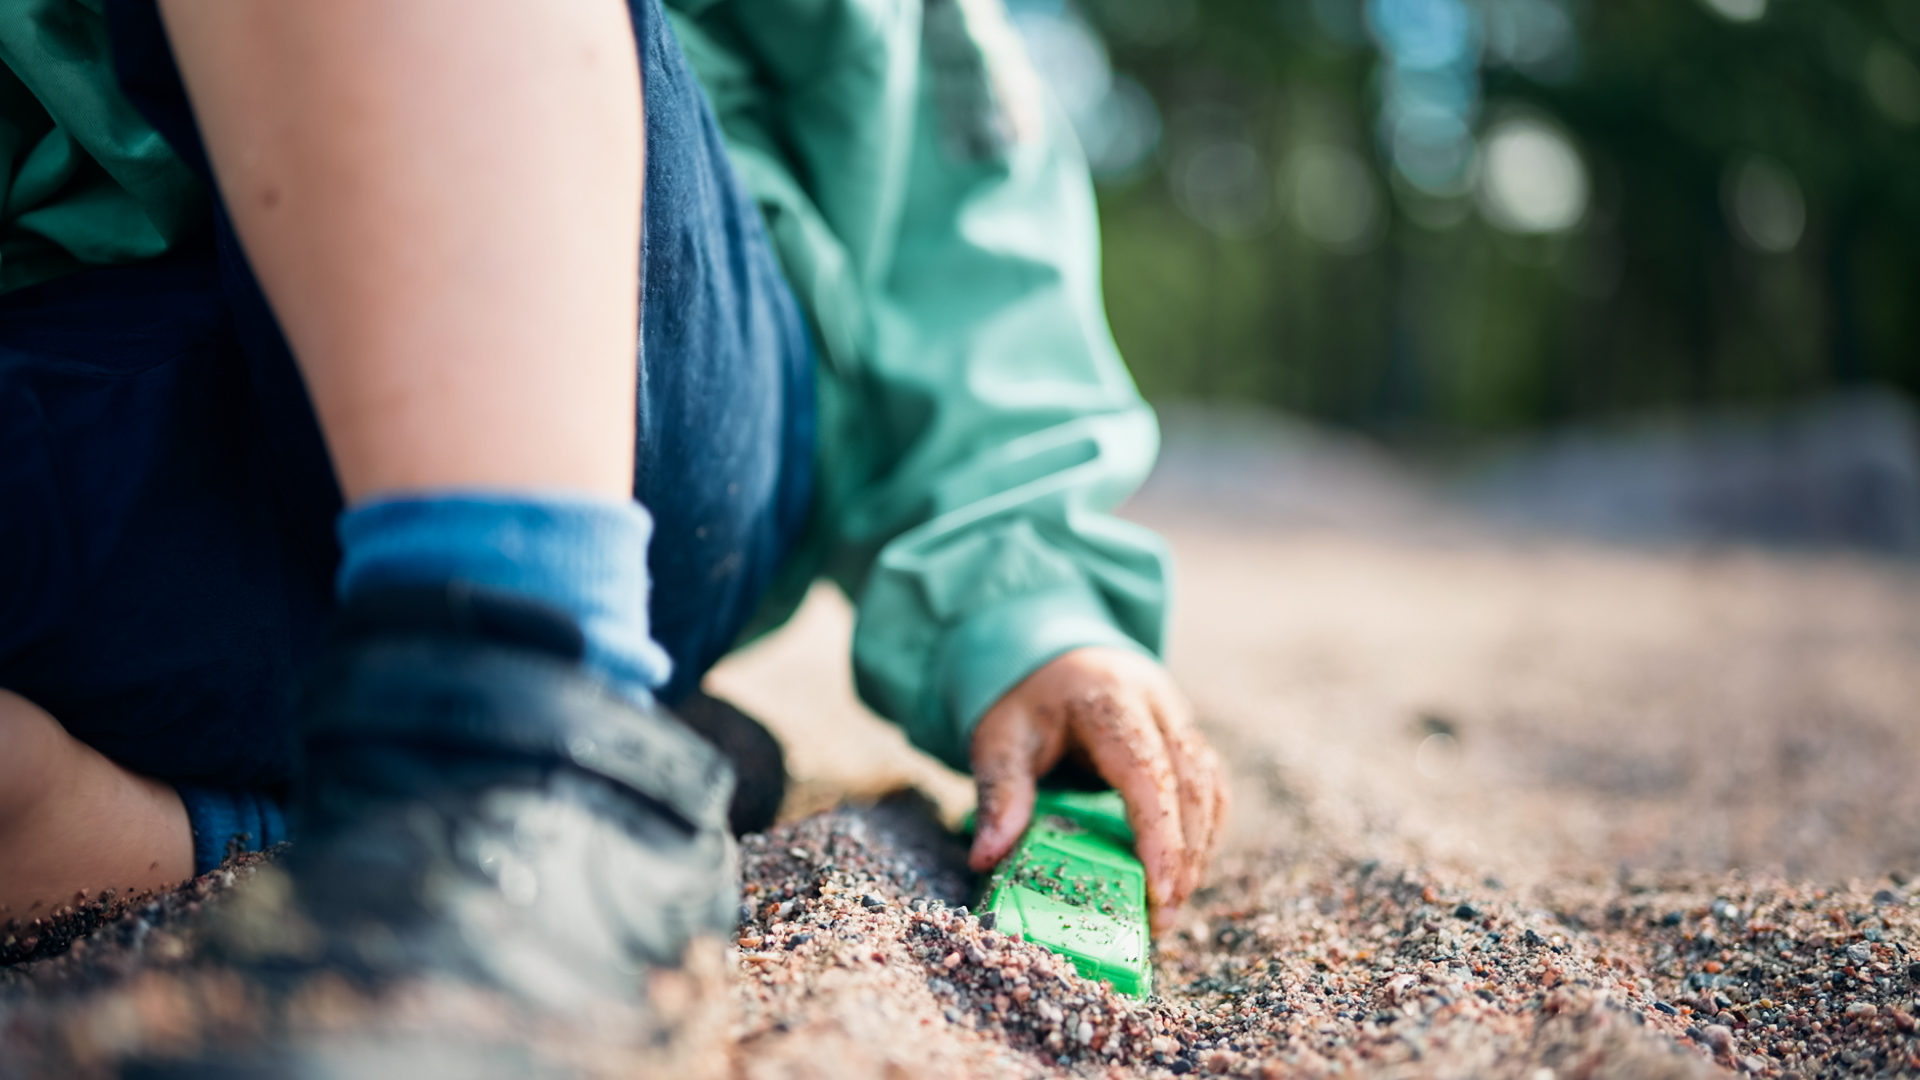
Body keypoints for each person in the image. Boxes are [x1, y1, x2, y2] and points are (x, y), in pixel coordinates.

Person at [0, 0, 1223, 1015]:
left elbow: (940, 181)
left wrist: (1030, 597)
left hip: (584, 376)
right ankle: (241, 826)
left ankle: (522, 727)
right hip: (106, 446)